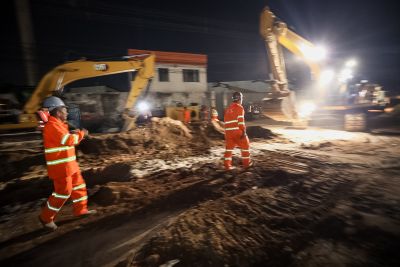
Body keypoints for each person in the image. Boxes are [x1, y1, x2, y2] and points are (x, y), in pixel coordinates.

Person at [38, 96, 96, 231]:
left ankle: (81, 210)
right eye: (65, 110)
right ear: (58, 112)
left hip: (70, 166)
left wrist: (73, 132)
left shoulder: (59, 125)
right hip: (61, 168)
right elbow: (67, 140)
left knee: (79, 186)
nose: (67, 113)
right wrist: (82, 134)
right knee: (63, 192)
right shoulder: (52, 125)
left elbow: (64, 138)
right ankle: (46, 218)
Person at [223, 92, 252, 170]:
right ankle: (246, 165)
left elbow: (225, 122)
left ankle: (227, 166)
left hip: (228, 133)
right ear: (239, 99)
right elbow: (241, 121)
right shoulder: (239, 107)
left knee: (228, 149)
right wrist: (244, 131)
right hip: (237, 132)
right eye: (241, 98)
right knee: (245, 145)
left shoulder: (228, 109)